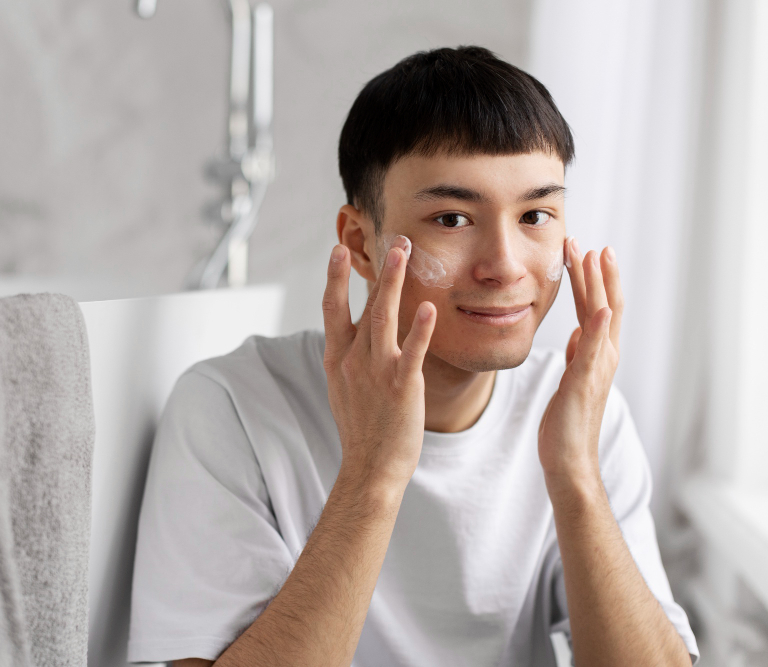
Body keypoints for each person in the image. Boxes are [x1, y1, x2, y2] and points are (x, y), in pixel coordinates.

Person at [127, 46, 699, 666]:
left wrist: (576, 475)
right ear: (360, 243)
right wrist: (373, 475)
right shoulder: (233, 407)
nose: (505, 265)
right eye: (452, 219)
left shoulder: (580, 411)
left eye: (536, 215)